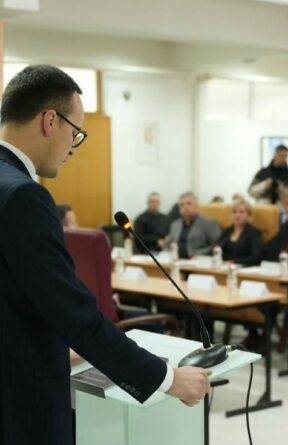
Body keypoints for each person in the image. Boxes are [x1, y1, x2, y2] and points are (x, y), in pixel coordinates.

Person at [0, 65, 210, 445]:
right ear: (50, 121)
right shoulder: (24, 196)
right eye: (76, 133)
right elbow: (74, 313)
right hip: (19, 400)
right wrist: (167, 379)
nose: (73, 148)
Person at [167, 192, 221, 259]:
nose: (185, 207)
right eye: (182, 205)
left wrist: (198, 255)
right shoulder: (175, 224)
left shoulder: (209, 223)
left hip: (198, 261)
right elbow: (168, 245)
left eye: (189, 204)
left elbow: (217, 246)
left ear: (196, 206)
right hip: (176, 260)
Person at [215, 200, 262, 266]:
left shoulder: (254, 233)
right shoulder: (227, 231)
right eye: (234, 212)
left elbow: (256, 258)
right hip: (222, 266)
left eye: (241, 212)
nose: (237, 215)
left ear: (249, 215)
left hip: (243, 268)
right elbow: (216, 248)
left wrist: (233, 262)